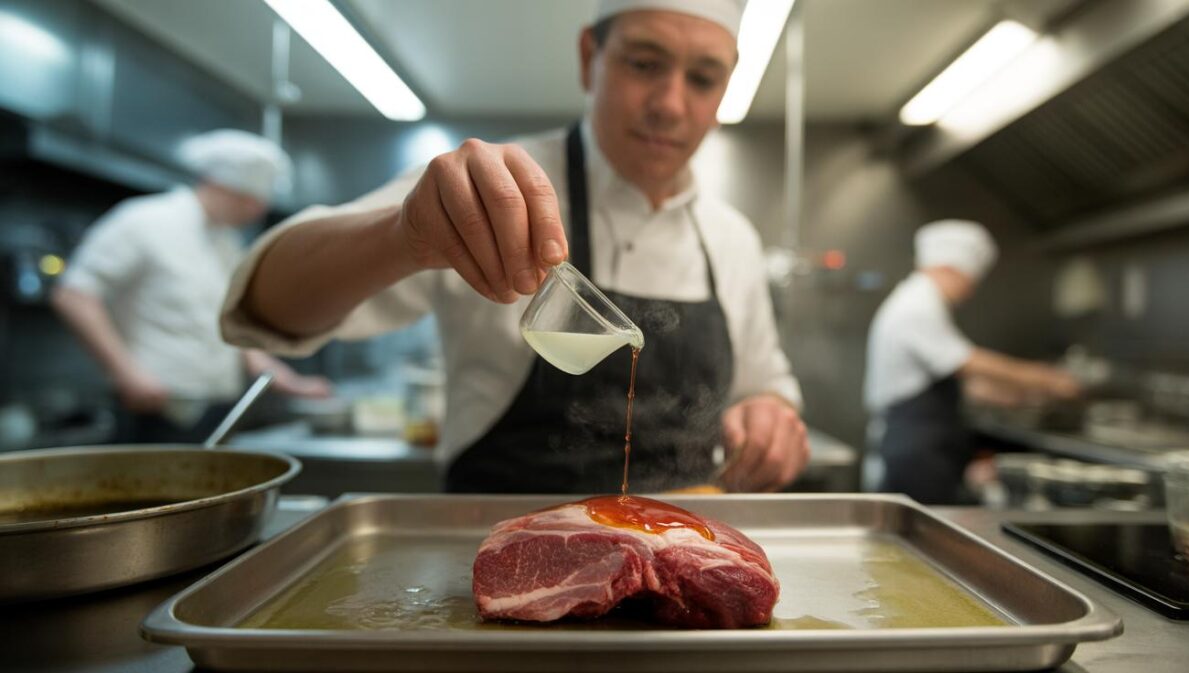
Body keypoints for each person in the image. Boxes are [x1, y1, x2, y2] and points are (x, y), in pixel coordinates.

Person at [220, 0, 810, 493]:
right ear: (589, 58)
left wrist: (771, 418)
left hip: (682, 554)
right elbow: (264, 307)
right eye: (644, 63)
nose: (670, 104)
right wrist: (403, 236)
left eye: (702, 79)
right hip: (503, 561)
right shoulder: (490, 187)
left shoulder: (731, 238)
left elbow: (765, 386)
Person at [52, 129, 331, 443]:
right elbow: (74, 295)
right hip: (154, 407)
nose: (256, 211)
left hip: (217, 406)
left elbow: (228, 325)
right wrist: (126, 373)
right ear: (218, 186)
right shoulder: (144, 221)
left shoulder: (226, 242)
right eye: (248, 200)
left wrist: (282, 378)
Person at [863, 220, 1080, 504]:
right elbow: (967, 362)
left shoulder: (923, 301)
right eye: (969, 280)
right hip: (913, 449)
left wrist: (1018, 397)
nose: (970, 290)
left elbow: (951, 381)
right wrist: (1046, 378)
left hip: (921, 443)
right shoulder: (916, 305)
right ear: (949, 268)